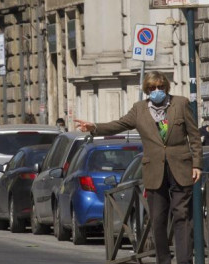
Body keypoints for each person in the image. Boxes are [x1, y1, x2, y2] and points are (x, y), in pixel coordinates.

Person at [75, 71, 202, 264]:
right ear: (147, 90)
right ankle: (163, 260)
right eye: (152, 88)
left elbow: (194, 136)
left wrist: (197, 164)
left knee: (182, 216)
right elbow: (119, 124)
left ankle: (184, 261)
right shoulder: (139, 109)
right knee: (157, 220)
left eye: (160, 87)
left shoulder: (181, 103)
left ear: (166, 88)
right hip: (154, 170)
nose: (157, 91)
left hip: (180, 167)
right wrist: (94, 127)